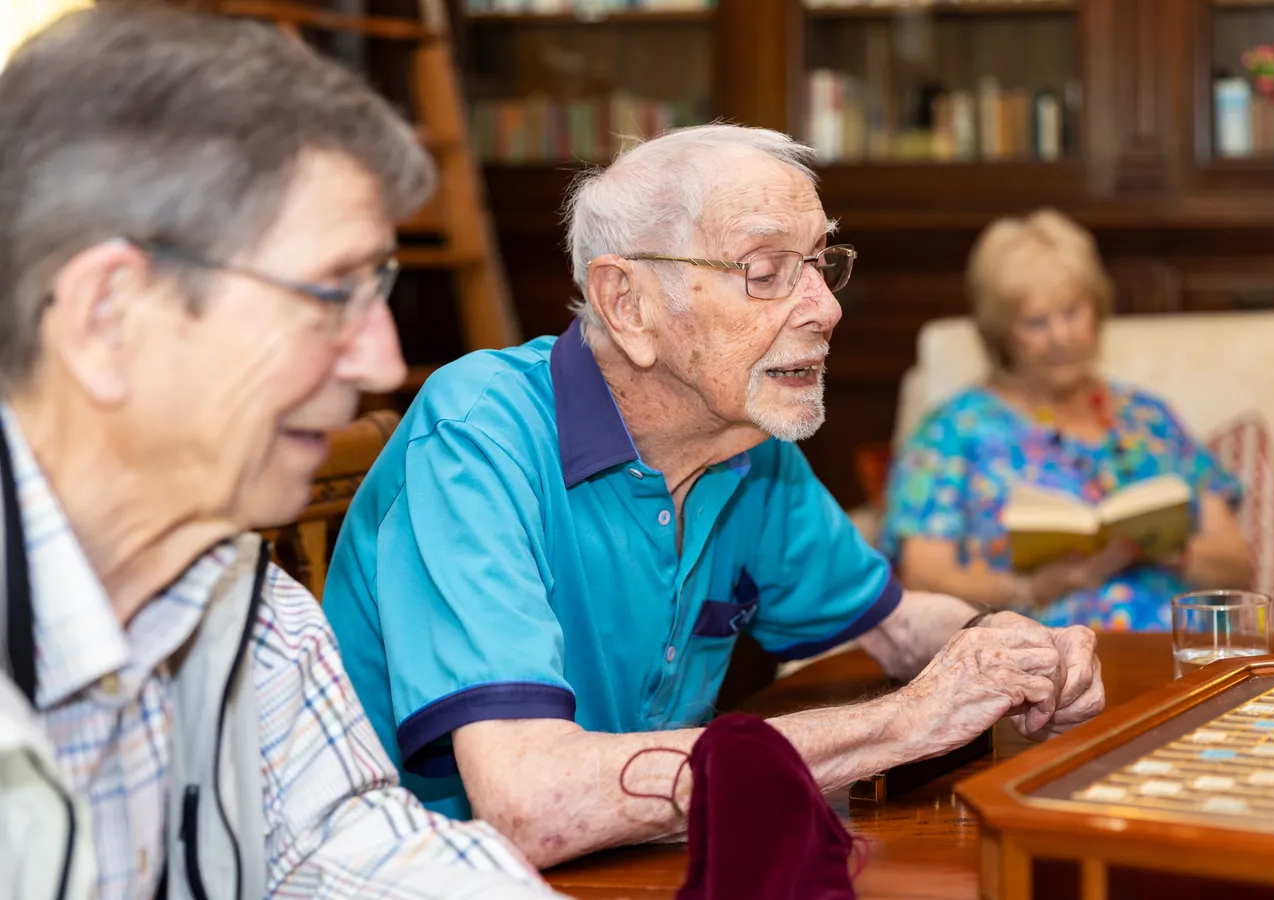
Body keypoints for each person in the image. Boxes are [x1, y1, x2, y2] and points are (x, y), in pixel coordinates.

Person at [322, 124, 1106, 870]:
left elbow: (899, 628)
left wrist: (1014, 647)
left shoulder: (744, 445)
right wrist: (905, 722)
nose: (827, 310)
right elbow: (531, 800)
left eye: (821, 265)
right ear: (627, 303)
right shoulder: (478, 437)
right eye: (766, 272)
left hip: (637, 862)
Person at [0, 6, 564, 898]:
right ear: (107, 316)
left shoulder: (243, 600)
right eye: (332, 291)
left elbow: (368, 855)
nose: (382, 361)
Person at [879, 209, 1255, 632]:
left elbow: (1236, 566)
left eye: (1072, 311)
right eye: (1037, 322)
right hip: (1047, 653)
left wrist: (1167, 549)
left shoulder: (1149, 417)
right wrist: (1029, 588)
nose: (1061, 337)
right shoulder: (952, 432)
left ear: (1097, 307)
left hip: (1181, 646)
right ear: (1002, 333)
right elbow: (923, 575)